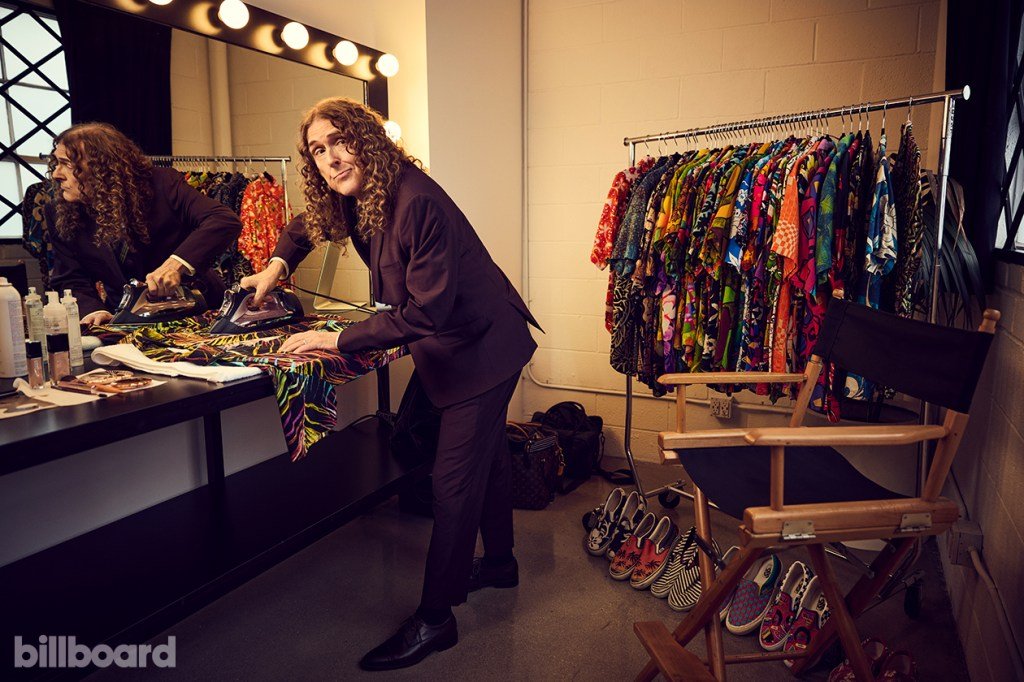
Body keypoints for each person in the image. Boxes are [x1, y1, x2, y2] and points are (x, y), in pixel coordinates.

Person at [241, 97, 539, 671]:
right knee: (491, 457)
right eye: (318, 150)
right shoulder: (355, 191)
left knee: (453, 483)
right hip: (450, 347)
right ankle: (501, 566)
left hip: (483, 348)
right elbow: (305, 225)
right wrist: (276, 266)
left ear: (367, 140)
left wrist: (336, 339)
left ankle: (436, 619)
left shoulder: (417, 201)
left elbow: (426, 312)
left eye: (339, 141)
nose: (331, 159)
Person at [47, 122, 243, 325]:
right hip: (124, 318)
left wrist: (175, 265)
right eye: (56, 163)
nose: (56, 174)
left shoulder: (162, 183)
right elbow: (70, 277)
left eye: (67, 164)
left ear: (101, 167)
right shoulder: (59, 212)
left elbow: (223, 220)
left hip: (197, 309)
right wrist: (94, 311)